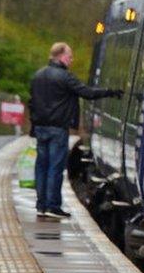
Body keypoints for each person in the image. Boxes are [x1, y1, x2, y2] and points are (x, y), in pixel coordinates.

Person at [29, 42, 122, 219]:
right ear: (61, 56)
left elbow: (32, 102)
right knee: (55, 168)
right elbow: (87, 92)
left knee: (41, 166)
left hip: (40, 128)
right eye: (70, 57)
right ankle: (53, 206)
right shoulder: (65, 77)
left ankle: (41, 205)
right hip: (58, 129)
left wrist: (33, 126)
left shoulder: (38, 76)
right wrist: (110, 92)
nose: (71, 60)